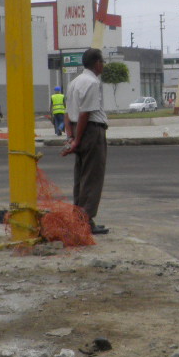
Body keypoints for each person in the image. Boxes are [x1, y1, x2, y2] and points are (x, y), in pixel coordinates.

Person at [61, 47, 109, 235]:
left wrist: (70, 137)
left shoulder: (74, 82)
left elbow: (67, 113)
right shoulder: (92, 82)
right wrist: (78, 139)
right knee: (93, 177)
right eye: (102, 62)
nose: (103, 65)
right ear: (97, 63)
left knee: (80, 177)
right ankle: (86, 221)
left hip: (76, 130)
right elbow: (85, 114)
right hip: (91, 132)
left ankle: (79, 218)